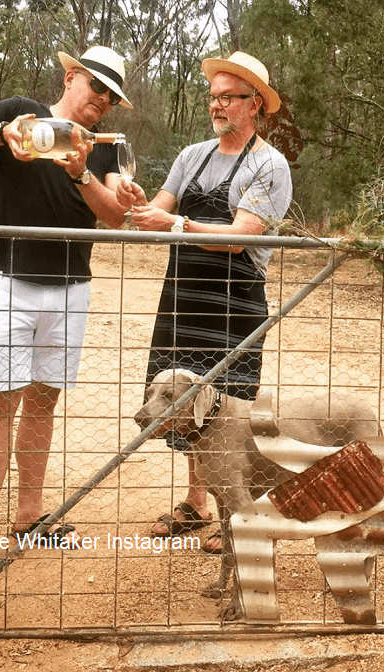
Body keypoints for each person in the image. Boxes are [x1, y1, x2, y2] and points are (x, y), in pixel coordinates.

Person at [0, 46, 133, 583]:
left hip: (71, 288)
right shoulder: (21, 111)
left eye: (112, 97)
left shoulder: (102, 148)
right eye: (97, 89)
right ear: (71, 77)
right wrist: (5, 135)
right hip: (8, 279)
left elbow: (116, 217)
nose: (103, 102)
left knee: (43, 402)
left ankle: (29, 515)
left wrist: (81, 174)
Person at [117, 51, 292, 553]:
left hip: (235, 297)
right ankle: (198, 503)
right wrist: (133, 198)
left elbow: (240, 237)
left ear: (254, 104)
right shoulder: (191, 155)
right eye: (212, 96)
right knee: (182, 396)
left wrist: (172, 225)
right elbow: (158, 209)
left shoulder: (268, 163)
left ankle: (237, 509)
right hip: (185, 293)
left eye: (228, 98)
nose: (216, 106)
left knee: (231, 402)